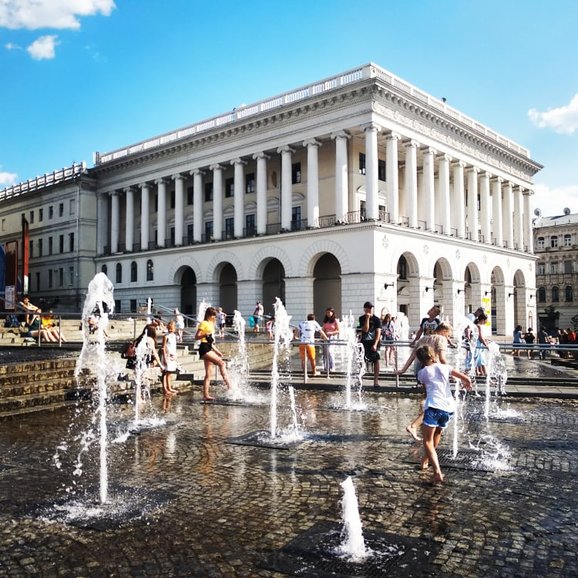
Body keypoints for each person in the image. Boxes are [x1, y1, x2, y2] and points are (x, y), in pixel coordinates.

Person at [415, 345, 472, 484]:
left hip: (433, 406)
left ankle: (437, 472)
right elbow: (466, 378)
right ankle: (425, 460)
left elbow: (425, 390)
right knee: (437, 434)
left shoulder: (422, 373)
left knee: (427, 441)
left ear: (420, 359)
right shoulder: (445, 367)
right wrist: (468, 384)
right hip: (448, 408)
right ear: (432, 354)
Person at [397, 322, 453, 441]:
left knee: (429, 399)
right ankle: (415, 426)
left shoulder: (424, 338)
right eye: (448, 335)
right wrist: (450, 372)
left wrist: (402, 370)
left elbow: (413, 356)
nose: (448, 338)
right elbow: (442, 359)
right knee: (435, 402)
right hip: (435, 372)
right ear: (444, 331)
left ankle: (425, 425)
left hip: (421, 371)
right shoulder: (441, 339)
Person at [194, 306, 231, 401]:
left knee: (208, 374)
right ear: (209, 315)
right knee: (221, 363)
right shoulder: (204, 323)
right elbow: (197, 336)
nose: (215, 317)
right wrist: (205, 334)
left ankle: (206, 395)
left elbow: (211, 341)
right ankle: (229, 386)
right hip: (204, 348)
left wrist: (217, 351)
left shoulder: (211, 324)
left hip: (209, 347)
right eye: (213, 316)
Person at [359, 302, 381, 386]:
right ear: (365, 309)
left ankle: (376, 381)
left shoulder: (376, 319)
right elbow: (365, 330)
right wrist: (367, 318)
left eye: (371, 308)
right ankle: (360, 379)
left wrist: (375, 344)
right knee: (361, 360)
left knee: (376, 359)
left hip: (373, 342)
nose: (370, 310)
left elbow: (378, 332)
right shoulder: (361, 318)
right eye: (368, 308)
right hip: (364, 342)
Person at [161, 320, 179, 395]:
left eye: (172, 328)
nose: (171, 330)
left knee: (170, 372)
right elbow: (163, 347)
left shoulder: (174, 336)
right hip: (167, 356)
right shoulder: (166, 336)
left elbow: (173, 346)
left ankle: (169, 387)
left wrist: (175, 354)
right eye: (170, 328)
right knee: (165, 373)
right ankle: (165, 389)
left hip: (172, 356)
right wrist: (164, 357)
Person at [321, 307, 340, 373]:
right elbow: (323, 329)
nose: (328, 314)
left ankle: (332, 366)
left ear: (332, 313)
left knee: (330, 351)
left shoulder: (335, 320)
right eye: (327, 312)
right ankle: (326, 367)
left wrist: (331, 333)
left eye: (329, 312)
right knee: (325, 352)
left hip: (332, 337)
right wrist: (322, 335)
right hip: (326, 337)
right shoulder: (325, 321)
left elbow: (338, 330)